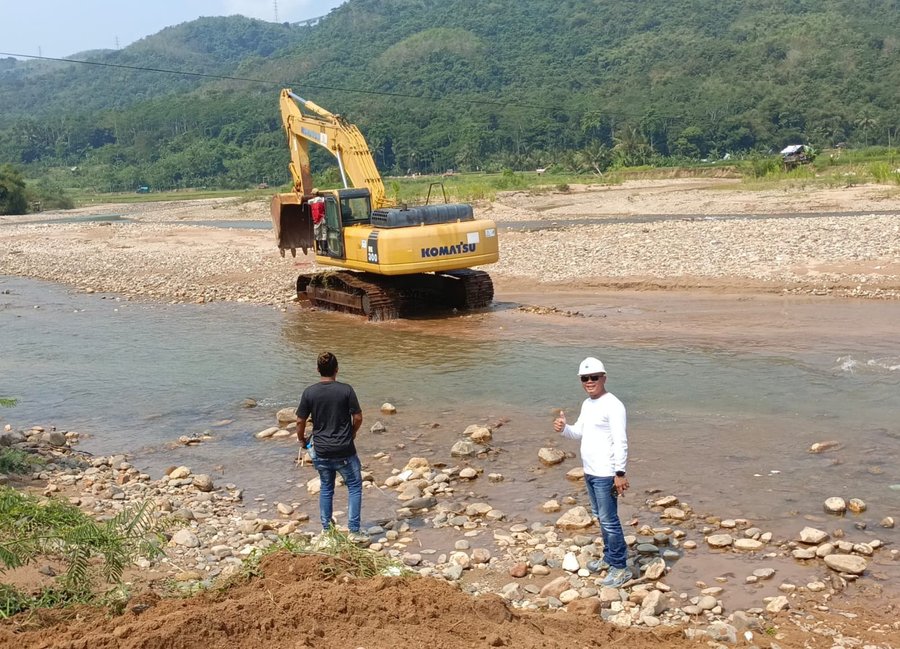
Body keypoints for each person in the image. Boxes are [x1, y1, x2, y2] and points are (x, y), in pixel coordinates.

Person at [554, 356, 632, 588]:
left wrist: (620, 473)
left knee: (609, 521)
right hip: (590, 471)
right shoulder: (587, 405)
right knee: (601, 518)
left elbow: (621, 441)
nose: (589, 382)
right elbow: (578, 433)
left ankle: (620, 567)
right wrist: (563, 429)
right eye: (585, 378)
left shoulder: (614, 405)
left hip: (607, 474)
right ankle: (609, 557)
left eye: (594, 377)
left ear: (603, 377)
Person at [296, 351, 365, 541]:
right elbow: (358, 417)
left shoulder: (310, 392)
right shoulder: (346, 390)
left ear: (318, 370)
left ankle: (327, 530)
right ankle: (354, 531)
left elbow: (300, 421)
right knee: (354, 487)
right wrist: (352, 432)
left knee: (326, 488)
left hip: (321, 450)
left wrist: (302, 440)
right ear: (337, 369)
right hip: (344, 450)